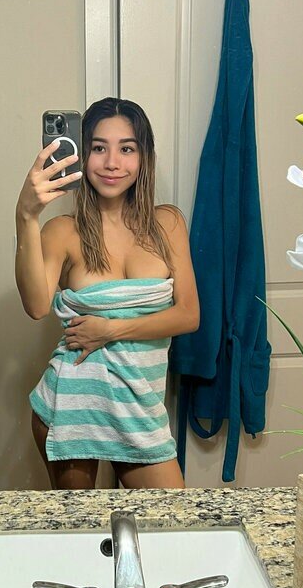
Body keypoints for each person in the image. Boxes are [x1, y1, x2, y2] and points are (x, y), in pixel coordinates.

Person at [15, 97, 199, 490]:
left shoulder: (168, 224)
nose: (112, 162)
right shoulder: (62, 231)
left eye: (126, 149)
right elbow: (36, 307)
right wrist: (26, 216)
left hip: (141, 410)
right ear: (83, 155)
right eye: (99, 148)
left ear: (144, 157)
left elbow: (188, 315)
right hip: (73, 403)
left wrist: (109, 330)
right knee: (79, 524)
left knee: (172, 520)